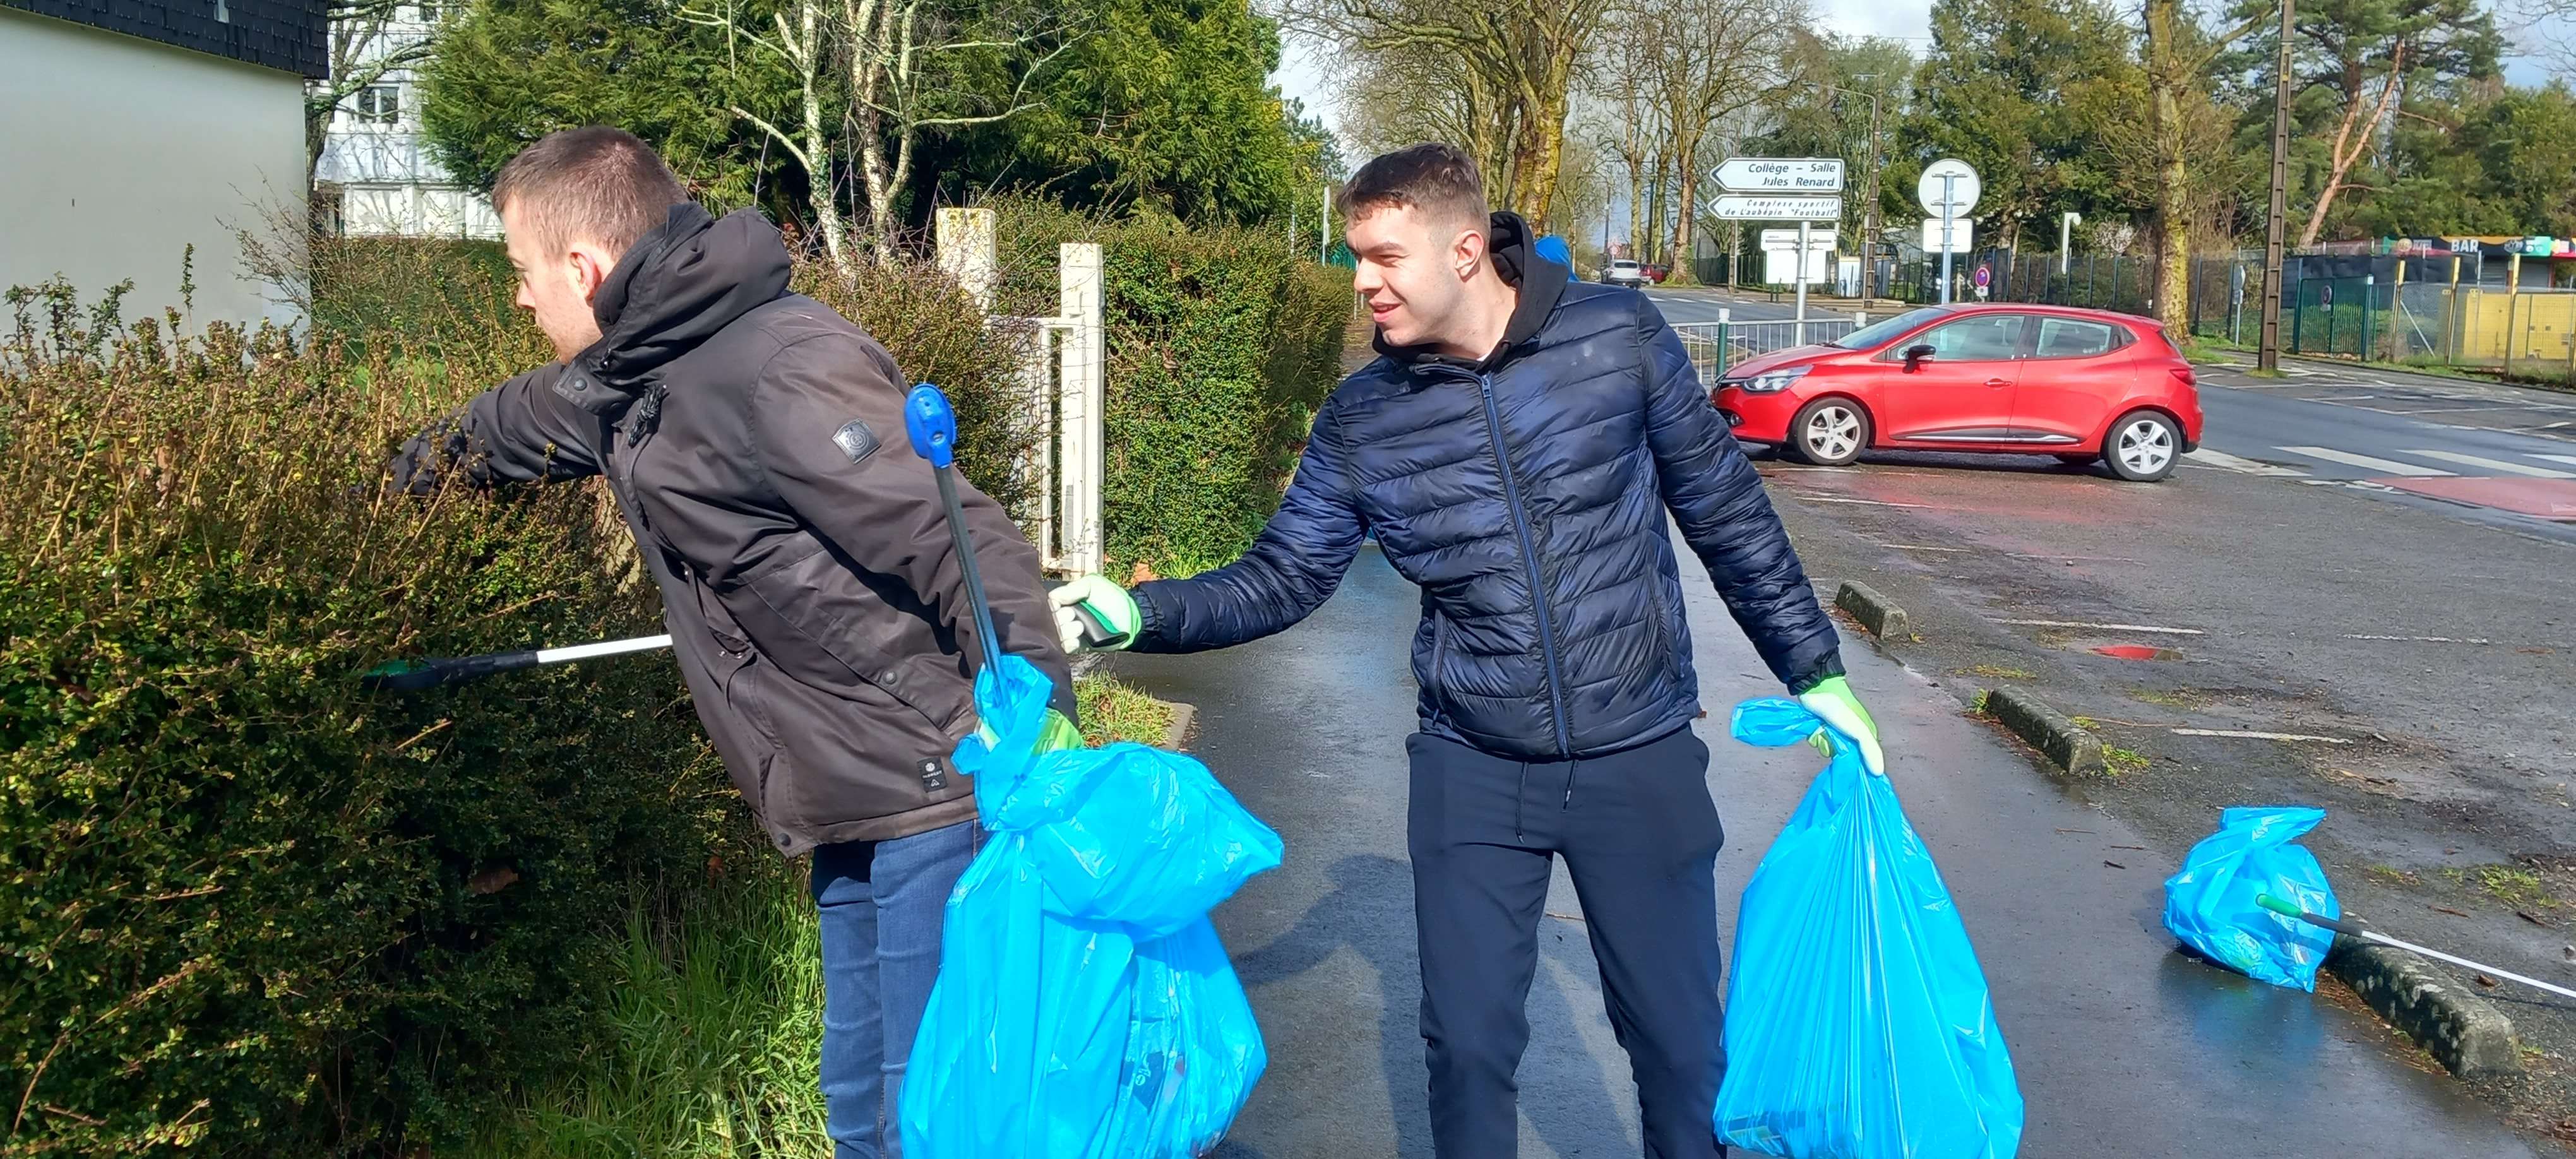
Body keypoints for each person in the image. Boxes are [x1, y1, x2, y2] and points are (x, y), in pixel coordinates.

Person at [1048, 142, 1883, 1158]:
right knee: (1468, 1047)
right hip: (1474, 765)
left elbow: (1727, 512)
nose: (1362, 281)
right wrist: (1141, 612)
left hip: (1639, 753)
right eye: (1358, 255)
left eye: (1383, 256)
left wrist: (1816, 669)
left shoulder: (1617, 338)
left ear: (1465, 249)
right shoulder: (1365, 417)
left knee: (1677, 1046)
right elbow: (1284, 576)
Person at [387, 126, 1070, 1159]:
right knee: (864, 1116)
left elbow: (961, 540)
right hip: (848, 800)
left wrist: (1040, 723)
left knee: (930, 1125)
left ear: (584, 267)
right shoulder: (631, 378)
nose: (520, 299)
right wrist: (381, 484)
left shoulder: (780, 366)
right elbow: (518, 422)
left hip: (939, 786)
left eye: (523, 273)